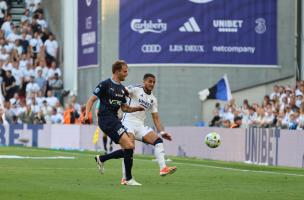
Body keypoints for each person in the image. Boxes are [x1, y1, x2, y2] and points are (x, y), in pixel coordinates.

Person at [84, 60, 144, 186]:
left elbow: (125, 108)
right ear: (117, 71)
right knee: (129, 146)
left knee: (129, 148)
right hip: (106, 119)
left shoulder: (122, 89)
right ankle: (128, 179)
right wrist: (86, 114)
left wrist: (137, 108)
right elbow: (91, 100)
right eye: (125, 71)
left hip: (115, 119)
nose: (126, 74)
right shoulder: (105, 84)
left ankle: (102, 159)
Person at [120, 73, 177, 184]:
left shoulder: (153, 99)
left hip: (140, 126)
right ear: (144, 82)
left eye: (154, 82)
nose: (152, 84)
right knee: (129, 150)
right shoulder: (136, 89)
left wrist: (162, 131)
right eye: (150, 81)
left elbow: (155, 117)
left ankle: (163, 168)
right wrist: (124, 95)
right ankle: (125, 178)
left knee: (158, 141)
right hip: (128, 123)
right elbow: (123, 90)